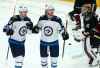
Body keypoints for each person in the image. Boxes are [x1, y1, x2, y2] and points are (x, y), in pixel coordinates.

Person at [81, 1, 98, 66]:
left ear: (88, 9)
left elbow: (96, 27)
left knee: (88, 49)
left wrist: (89, 32)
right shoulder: (85, 16)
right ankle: (91, 58)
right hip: (87, 34)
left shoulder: (92, 16)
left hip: (91, 35)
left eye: (84, 8)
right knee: (85, 49)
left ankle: (95, 59)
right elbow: (86, 26)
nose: (82, 9)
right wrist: (84, 31)